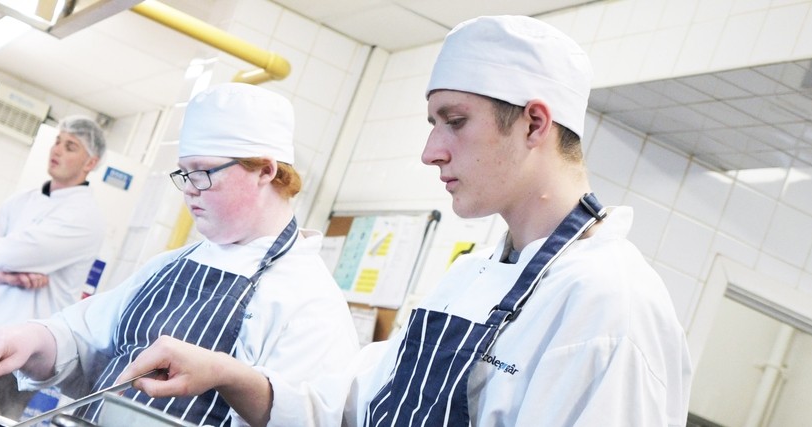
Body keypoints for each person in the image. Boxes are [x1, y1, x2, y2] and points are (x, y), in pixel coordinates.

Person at [109, 16, 693, 426]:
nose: (431, 151)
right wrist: (228, 374)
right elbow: (349, 408)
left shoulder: (612, 305)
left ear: (535, 124)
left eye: (455, 121)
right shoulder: (474, 276)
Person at [0, 83, 360, 426]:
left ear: (265, 171)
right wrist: (32, 338)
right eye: (183, 173)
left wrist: (230, 376)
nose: (189, 188)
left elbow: (311, 418)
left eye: (203, 172)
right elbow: (85, 339)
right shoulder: (171, 266)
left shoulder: (310, 301)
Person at [0, 116, 110, 416]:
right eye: (57, 141)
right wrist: (7, 276)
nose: (57, 150)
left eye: (70, 146)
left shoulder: (85, 217)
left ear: (90, 162)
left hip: (17, 358)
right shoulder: (23, 200)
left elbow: (12, 253)